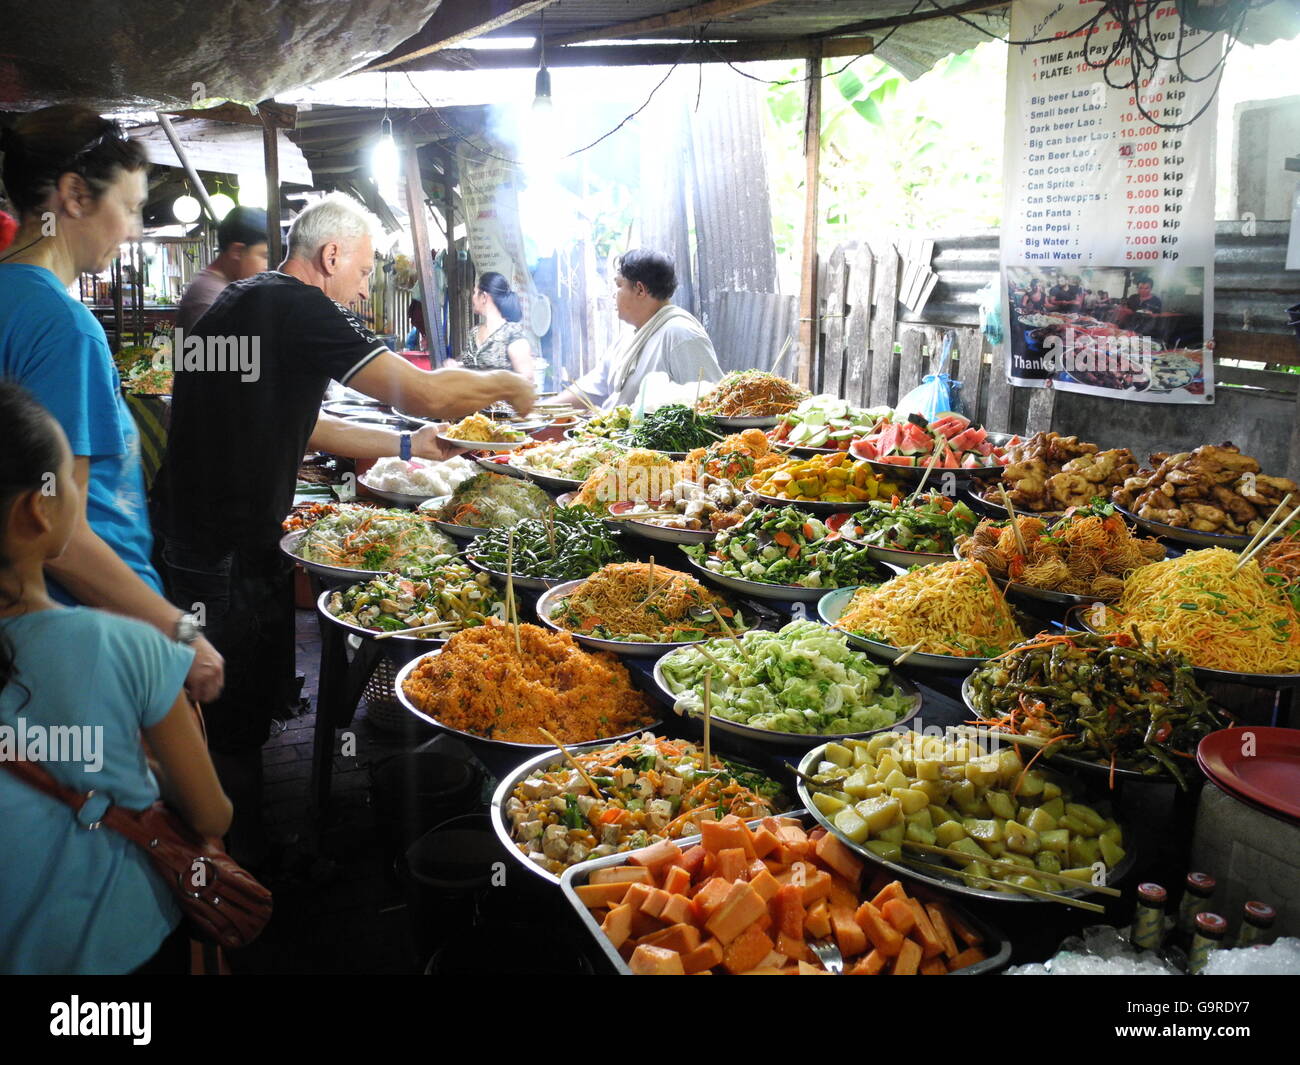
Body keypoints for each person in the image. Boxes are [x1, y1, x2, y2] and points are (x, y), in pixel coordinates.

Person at [151, 192, 534, 865]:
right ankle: (240, 872)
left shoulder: (249, 299)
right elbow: (424, 392)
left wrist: (413, 448)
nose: (365, 285)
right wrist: (508, 383)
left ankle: (242, 847)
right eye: (363, 269)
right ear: (331, 256)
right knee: (229, 716)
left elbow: (307, 423)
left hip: (199, 539)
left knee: (226, 706)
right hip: (219, 550)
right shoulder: (301, 305)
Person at [0, 382, 232, 974]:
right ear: (38, 511)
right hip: (126, 945)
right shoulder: (128, 646)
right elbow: (210, 817)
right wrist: (141, 771)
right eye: (73, 482)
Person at [0, 105, 224, 704]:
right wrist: (176, 627)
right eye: (128, 207)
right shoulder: (61, 326)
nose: (133, 228)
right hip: (91, 635)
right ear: (74, 194)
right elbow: (61, 534)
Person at [552, 249, 723, 410]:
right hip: (614, 438)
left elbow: (713, 403)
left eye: (619, 285)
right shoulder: (629, 335)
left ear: (640, 290)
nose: (614, 294)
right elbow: (593, 388)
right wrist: (542, 409)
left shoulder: (681, 334)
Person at [175, 206, 268, 332]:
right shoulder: (212, 299)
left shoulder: (225, 289)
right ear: (237, 252)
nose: (268, 267)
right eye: (265, 256)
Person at [446, 271, 534, 378]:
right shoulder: (474, 333)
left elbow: (527, 381)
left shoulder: (513, 335)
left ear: (483, 297)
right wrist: (457, 366)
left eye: (475, 292)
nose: (472, 297)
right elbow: (472, 366)